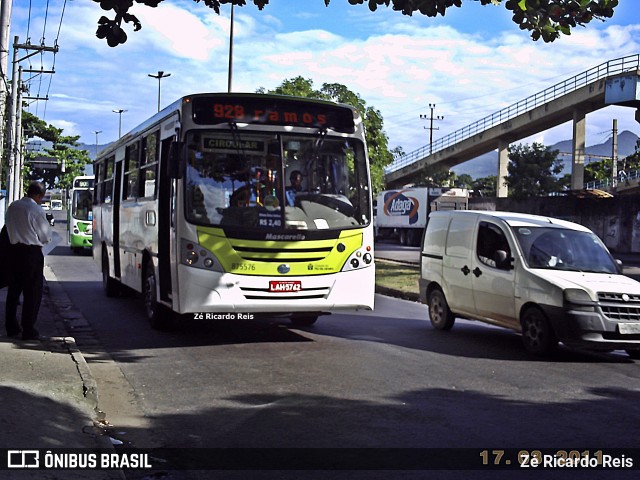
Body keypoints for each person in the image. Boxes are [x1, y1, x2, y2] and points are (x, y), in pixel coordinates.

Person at [4, 181, 53, 341]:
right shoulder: (36, 209)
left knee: (13, 291)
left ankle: (11, 327)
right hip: (31, 253)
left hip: (13, 252)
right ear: (40, 195)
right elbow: (46, 236)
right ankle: (28, 328)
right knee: (32, 293)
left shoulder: (12, 207)